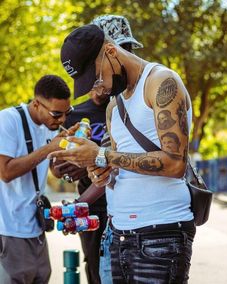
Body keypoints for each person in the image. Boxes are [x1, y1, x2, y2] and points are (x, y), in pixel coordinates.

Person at [49, 23, 195, 283]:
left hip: (159, 235)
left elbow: (175, 164)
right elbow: (117, 168)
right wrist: (96, 169)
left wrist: (102, 155)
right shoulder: (114, 106)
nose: (100, 88)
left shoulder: (161, 83)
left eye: (97, 77)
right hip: (118, 233)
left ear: (111, 52)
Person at [51, 15, 143, 284]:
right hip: (94, 211)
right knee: (98, 273)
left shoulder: (137, 100)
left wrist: (97, 156)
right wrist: (77, 163)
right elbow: (58, 169)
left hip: (134, 213)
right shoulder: (76, 114)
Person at [0, 75, 76, 284]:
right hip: (9, 229)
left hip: (37, 228)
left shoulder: (49, 127)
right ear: (36, 104)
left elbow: (55, 172)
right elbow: (5, 172)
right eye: (56, 114)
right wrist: (48, 149)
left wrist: (68, 154)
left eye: (66, 113)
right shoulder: (8, 120)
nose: (61, 120)